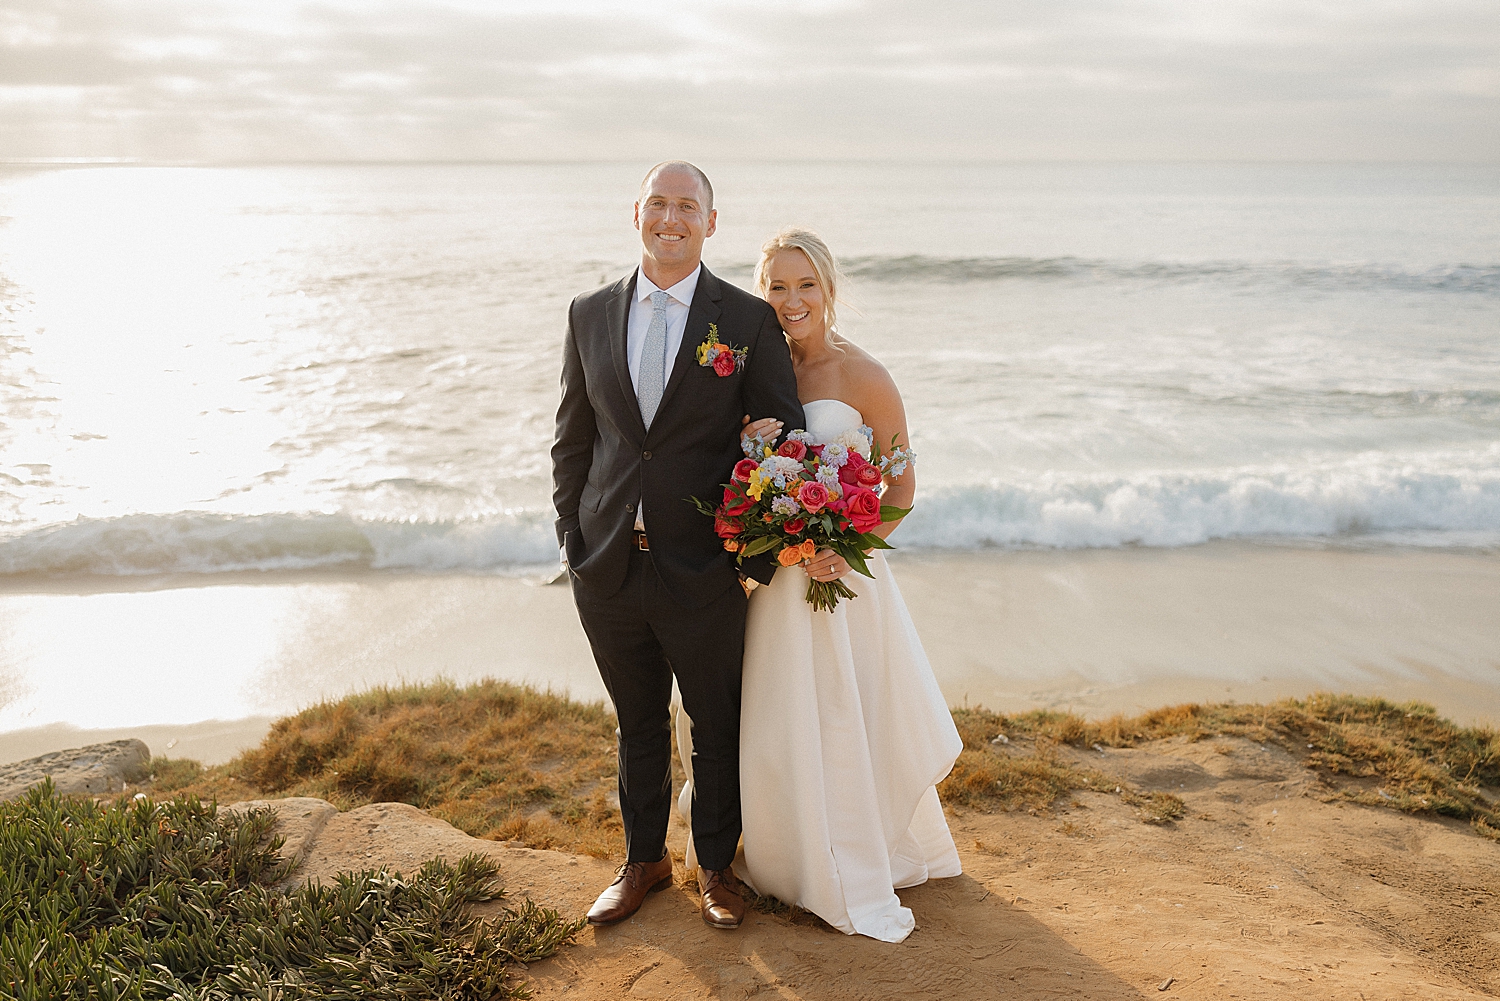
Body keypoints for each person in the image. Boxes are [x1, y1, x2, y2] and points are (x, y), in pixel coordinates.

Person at [551, 162, 805, 930]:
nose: (671, 217)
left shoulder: (747, 320)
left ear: (711, 222)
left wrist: (752, 562)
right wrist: (574, 539)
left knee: (714, 723)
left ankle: (716, 868)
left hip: (705, 567)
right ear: (637, 213)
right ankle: (642, 860)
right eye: (658, 203)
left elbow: (783, 443)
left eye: (686, 206)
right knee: (636, 721)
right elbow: (573, 440)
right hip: (608, 565)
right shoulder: (589, 312)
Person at [699, 227, 963, 943]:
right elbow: (728, 469)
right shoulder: (753, 373)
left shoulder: (865, 375)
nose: (791, 300)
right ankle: (787, 855)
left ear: (829, 289)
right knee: (780, 710)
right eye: (776, 286)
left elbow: (902, 486)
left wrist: (849, 549)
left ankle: (847, 854)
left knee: (847, 713)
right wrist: (759, 498)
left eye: (805, 284)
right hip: (780, 582)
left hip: (845, 584)